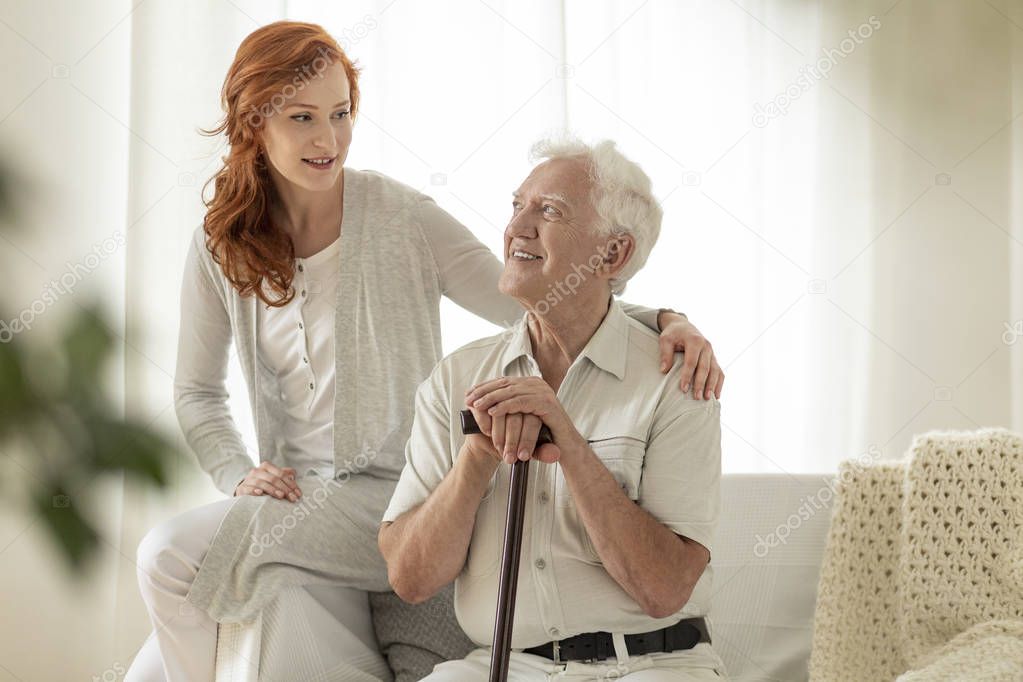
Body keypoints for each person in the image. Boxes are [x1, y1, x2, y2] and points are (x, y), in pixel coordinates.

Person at [125, 20, 724, 682]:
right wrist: (235, 472)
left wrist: (663, 319)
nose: (329, 139)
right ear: (253, 122)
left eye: (341, 113)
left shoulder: (399, 217)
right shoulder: (221, 243)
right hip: (294, 504)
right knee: (147, 669)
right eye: (302, 117)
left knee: (166, 558)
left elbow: (536, 295)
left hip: (387, 500)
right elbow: (197, 394)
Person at [379, 138, 726, 681]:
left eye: (550, 211)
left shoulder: (676, 379)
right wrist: (477, 456)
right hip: (503, 667)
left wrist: (568, 441)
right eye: (517, 205)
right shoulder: (455, 379)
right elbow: (412, 578)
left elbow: (663, 590)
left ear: (613, 253)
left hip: (652, 665)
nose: (517, 227)